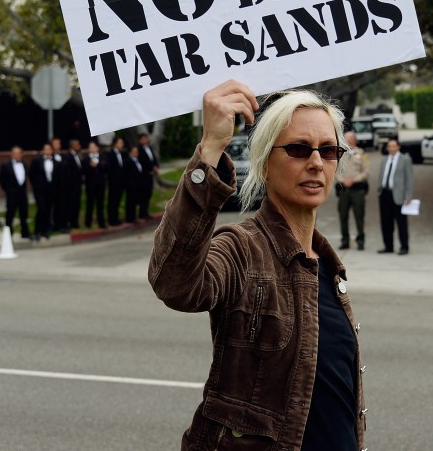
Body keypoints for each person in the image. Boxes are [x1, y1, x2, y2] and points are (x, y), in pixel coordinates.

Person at [149, 80, 365, 451]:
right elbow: (175, 283)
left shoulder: (327, 265)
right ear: (264, 164)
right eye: (298, 149)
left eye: (328, 150)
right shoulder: (243, 248)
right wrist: (211, 148)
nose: (315, 162)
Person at [377, 138, 414, 255]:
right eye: (389, 146)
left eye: (393, 146)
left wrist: (408, 196)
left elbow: (409, 179)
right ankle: (388, 246)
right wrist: (379, 189)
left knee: (401, 223)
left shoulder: (405, 160)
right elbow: (381, 175)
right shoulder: (384, 160)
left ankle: (404, 246)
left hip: (399, 195)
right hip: (384, 194)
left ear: (398, 147)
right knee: (386, 222)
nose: (391, 148)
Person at [336, 130, 369, 250]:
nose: (347, 141)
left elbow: (366, 172)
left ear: (354, 140)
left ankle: (360, 240)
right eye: (345, 138)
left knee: (359, 215)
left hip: (357, 189)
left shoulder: (362, 153)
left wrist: (354, 180)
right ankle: (345, 240)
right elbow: (336, 170)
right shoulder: (340, 153)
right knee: (343, 215)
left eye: (349, 139)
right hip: (344, 189)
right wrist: (342, 180)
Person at [0, 146, 30, 239]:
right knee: (10, 213)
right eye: (15, 153)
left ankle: (25, 232)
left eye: (19, 153)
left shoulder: (25, 165)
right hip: (11, 193)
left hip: (22, 193)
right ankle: (8, 232)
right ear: (11, 154)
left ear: (22, 154)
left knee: (24, 213)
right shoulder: (6, 165)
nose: (17, 155)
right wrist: (8, 190)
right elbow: (2, 179)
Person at [29, 143, 56, 241]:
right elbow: (31, 174)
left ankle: (46, 230)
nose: (48, 151)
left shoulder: (55, 161)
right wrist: (36, 185)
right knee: (41, 208)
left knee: (49, 209)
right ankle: (38, 231)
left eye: (49, 149)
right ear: (43, 150)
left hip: (51, 189)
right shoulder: (37, 161)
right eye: (46, 149)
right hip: (39, 189)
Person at [60, 139, 84, 230]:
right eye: (77, 144)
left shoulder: (78, 155)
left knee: (76, 205)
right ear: (72, 146)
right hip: (70, 187)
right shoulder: (67, 157)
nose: (79, 146)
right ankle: (66, 223)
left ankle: (74, 222)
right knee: (69, 205)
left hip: (77, 186)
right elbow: (67, 173)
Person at [83, 141, 107, 228]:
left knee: (100, 204)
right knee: (90, 204)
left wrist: (98, 165)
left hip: (101, 184)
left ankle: (101, 222)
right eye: (90, 147)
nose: (92, 149)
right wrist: (90, 166)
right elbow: (84, 171)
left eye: (94, 147)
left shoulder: (102, 157)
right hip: (90, 185)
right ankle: (88, 223)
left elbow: (106, 168)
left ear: (97, 148)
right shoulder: (85, 159)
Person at [136, 132, 160, 219]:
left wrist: (156, 166)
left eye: (146, 138)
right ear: (140, 140)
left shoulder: (149, 148)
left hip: (150, 174)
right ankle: (142, 213)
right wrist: (152, 167)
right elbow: (143, 161)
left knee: (149, 193)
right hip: (144, 175)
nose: (145, 140)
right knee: (144, 194)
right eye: (143, 139)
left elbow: (153, 158)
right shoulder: (139, 150)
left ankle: (146, 212)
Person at [105, 136, 127, 227]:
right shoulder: (110, 154)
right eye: (120, 142)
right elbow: (109, 169)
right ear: (115, 144)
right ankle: (111, 219)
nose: (121, 144)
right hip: (113, 182)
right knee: (112, 200)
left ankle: (116, 218)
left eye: (122, 143)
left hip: (121, 181)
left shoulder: (122, 154)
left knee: (118, 200)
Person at [124, 145, 147, 223]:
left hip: (139, 184)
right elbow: (127, 174)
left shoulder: (139, 160)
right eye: (134, 152)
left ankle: (137, 216)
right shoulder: (128, 161)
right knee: (131, 202)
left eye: (137, 152)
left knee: (137, 201)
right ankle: (130, 218)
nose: (136, 153)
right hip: (131, 185)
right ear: (131, 152)